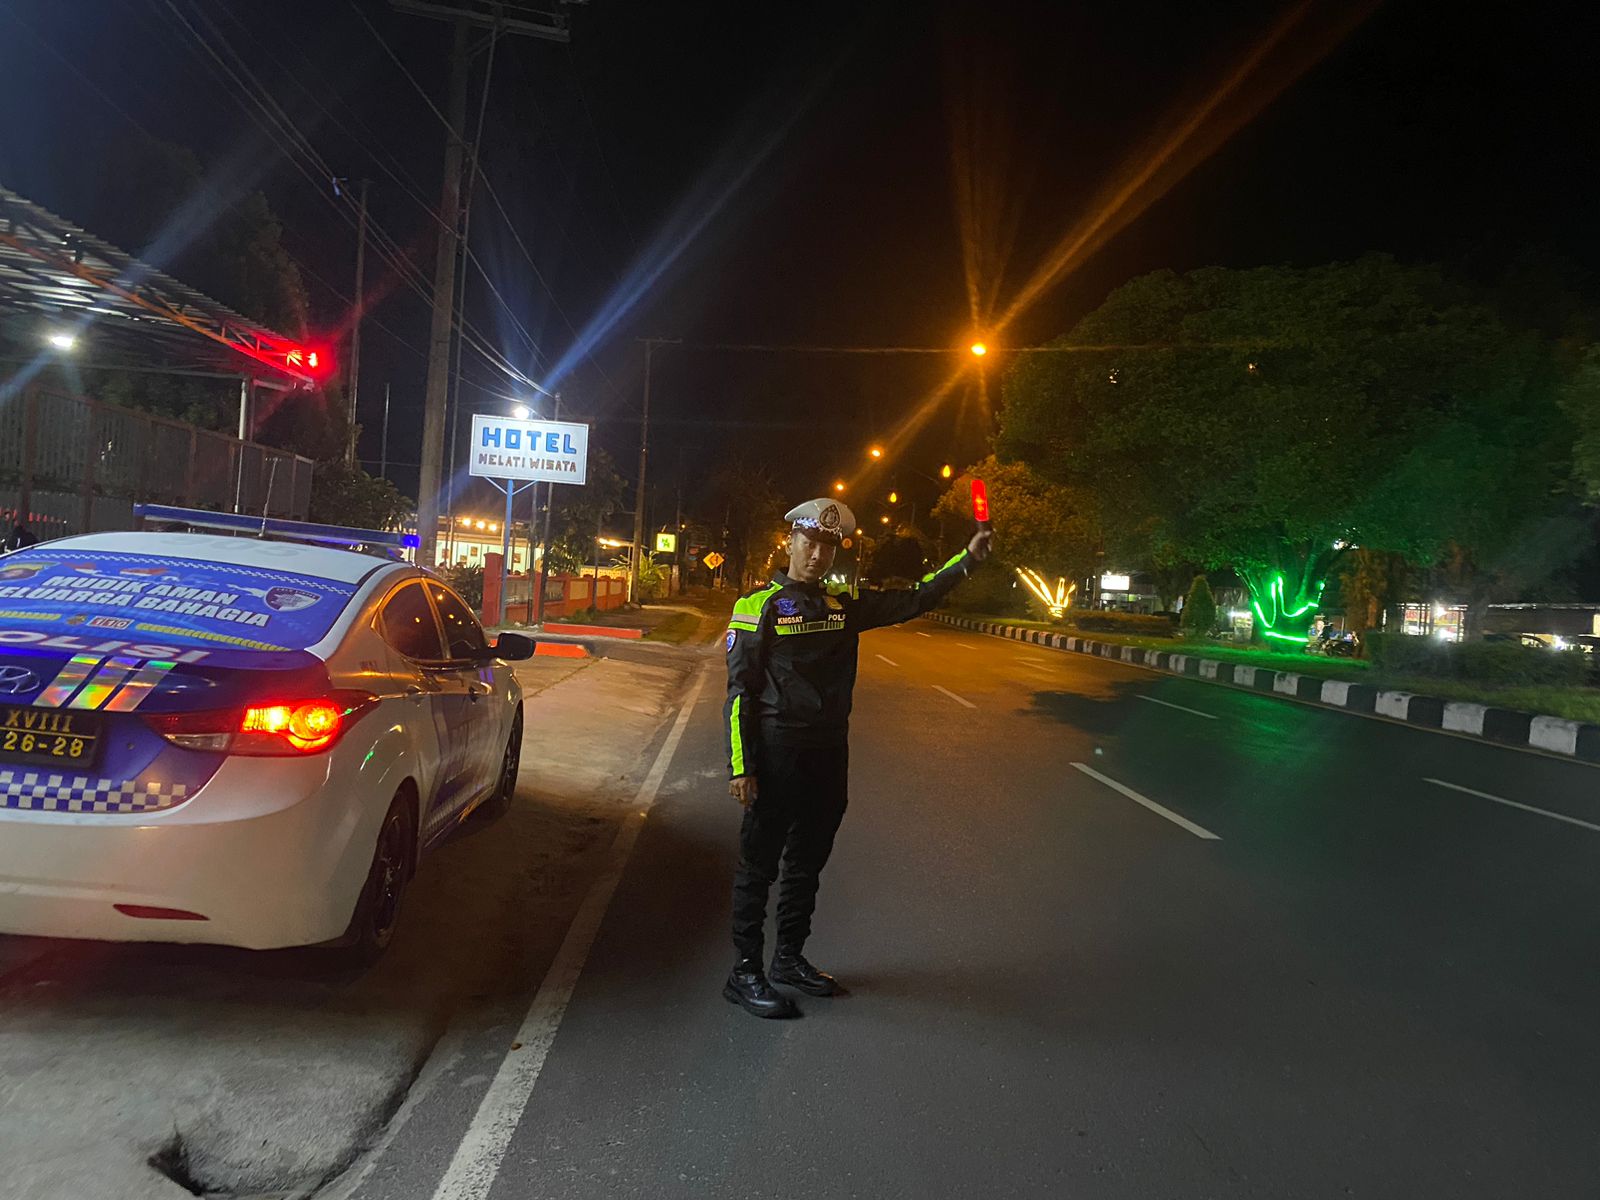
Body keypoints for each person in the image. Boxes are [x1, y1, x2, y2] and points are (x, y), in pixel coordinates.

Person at [721, 496, 993, 1018]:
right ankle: (744, 972)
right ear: (791, 543)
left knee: (806, 865)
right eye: (809, 543)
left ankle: (787, 959)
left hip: (828, 755)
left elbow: (914, 598)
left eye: (827, 547)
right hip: (776, 756)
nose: (818, 555)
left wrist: (969, 558)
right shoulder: (757, 607)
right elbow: (740, 694)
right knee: (758, 869)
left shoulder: (843, 606)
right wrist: (742, 766)